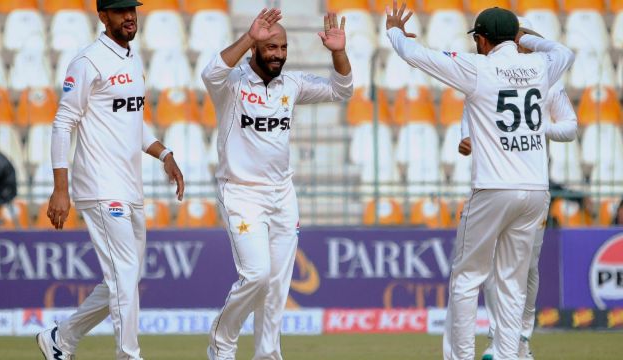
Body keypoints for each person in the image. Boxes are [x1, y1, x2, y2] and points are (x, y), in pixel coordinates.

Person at [385, 2, 574, 359]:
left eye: (478, 39)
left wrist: (394, 32)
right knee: (511, 283)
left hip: (493, 188)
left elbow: (417, 55)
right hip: (535, 190)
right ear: (513, 38)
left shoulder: (478, 69)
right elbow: (563, 51)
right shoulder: (538, 66)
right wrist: (527, 41)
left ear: (484, 40)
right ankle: (508, 355)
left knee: (466, 278)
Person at [201, 8, 352, 360]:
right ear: (255, 48)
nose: (278, 55)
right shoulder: (232, 85)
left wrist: (338, 52)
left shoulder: (292, 85)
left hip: (282, 194)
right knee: (256, 275)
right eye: (271, 47)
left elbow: (341, 90)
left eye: (283, 48)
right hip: (240, 192)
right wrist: (249, 37)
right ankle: (221, 342)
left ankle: (267, 353)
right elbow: (211, 72)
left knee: (275, 286)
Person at [36, 1, 185, 359]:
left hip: (130, 186)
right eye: (119, 11)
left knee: (124, 279)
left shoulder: (132, 59)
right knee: (124, 274)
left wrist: (165, 154)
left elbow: (132, 123)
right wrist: (61, 189)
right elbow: (62, 123)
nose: (129, 16)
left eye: (132, 9)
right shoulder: (86, 62)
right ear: (103, 17)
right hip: (101, 186)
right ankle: (129, 355)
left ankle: (62, 336)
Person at [457, 19, 578, 360]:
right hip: (495, 183)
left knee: (527, 268)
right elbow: (468, 127)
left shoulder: (546, 81)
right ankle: (501, 341)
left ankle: (521, 337)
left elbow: (570, 128)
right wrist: (464, 142)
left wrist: (539, 129)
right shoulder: (487, 79)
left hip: (530, 182)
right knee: (495, 267)